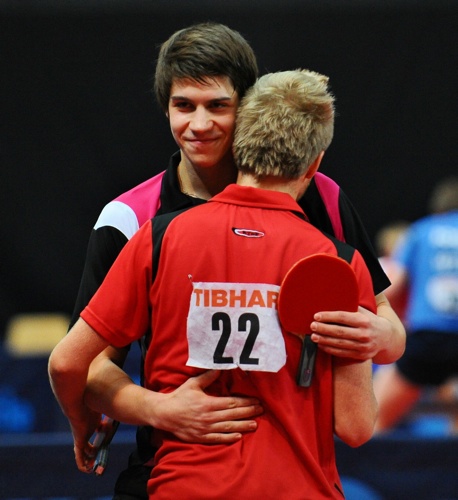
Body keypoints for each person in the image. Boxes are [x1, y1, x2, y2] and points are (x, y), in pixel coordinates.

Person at [68, 22, 404, 498]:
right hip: (171, 463)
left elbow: (387, 325)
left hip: (291, 467)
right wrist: (157, 409)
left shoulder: (322, 200)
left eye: (218, 105)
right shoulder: (132, 218)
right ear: (165, 108)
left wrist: (379, 335)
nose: (199, 124)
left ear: (246, 106)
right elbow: (89, 365)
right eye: (184, 106)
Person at [374, 177, 458, 433]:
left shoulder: (421, 232)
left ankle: (358, 472)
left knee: (372, 421)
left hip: (426, 340)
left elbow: (393, 284)